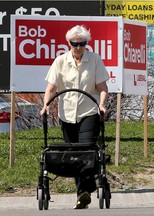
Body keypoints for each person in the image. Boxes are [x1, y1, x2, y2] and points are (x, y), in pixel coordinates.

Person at [40, 25, 110, 209]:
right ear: (69, 43)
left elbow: (103, 89)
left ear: (87, 43)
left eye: (82, 43)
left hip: (89, 112)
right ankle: (84, 191)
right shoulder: (60, 61)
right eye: (75, 43)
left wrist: (101, 105)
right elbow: (51, 89)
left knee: (85, 150)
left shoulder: (94, 60)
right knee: (72, 155)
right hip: (67, 114)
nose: (78, 47)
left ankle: (83, 193)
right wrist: (46, 106)